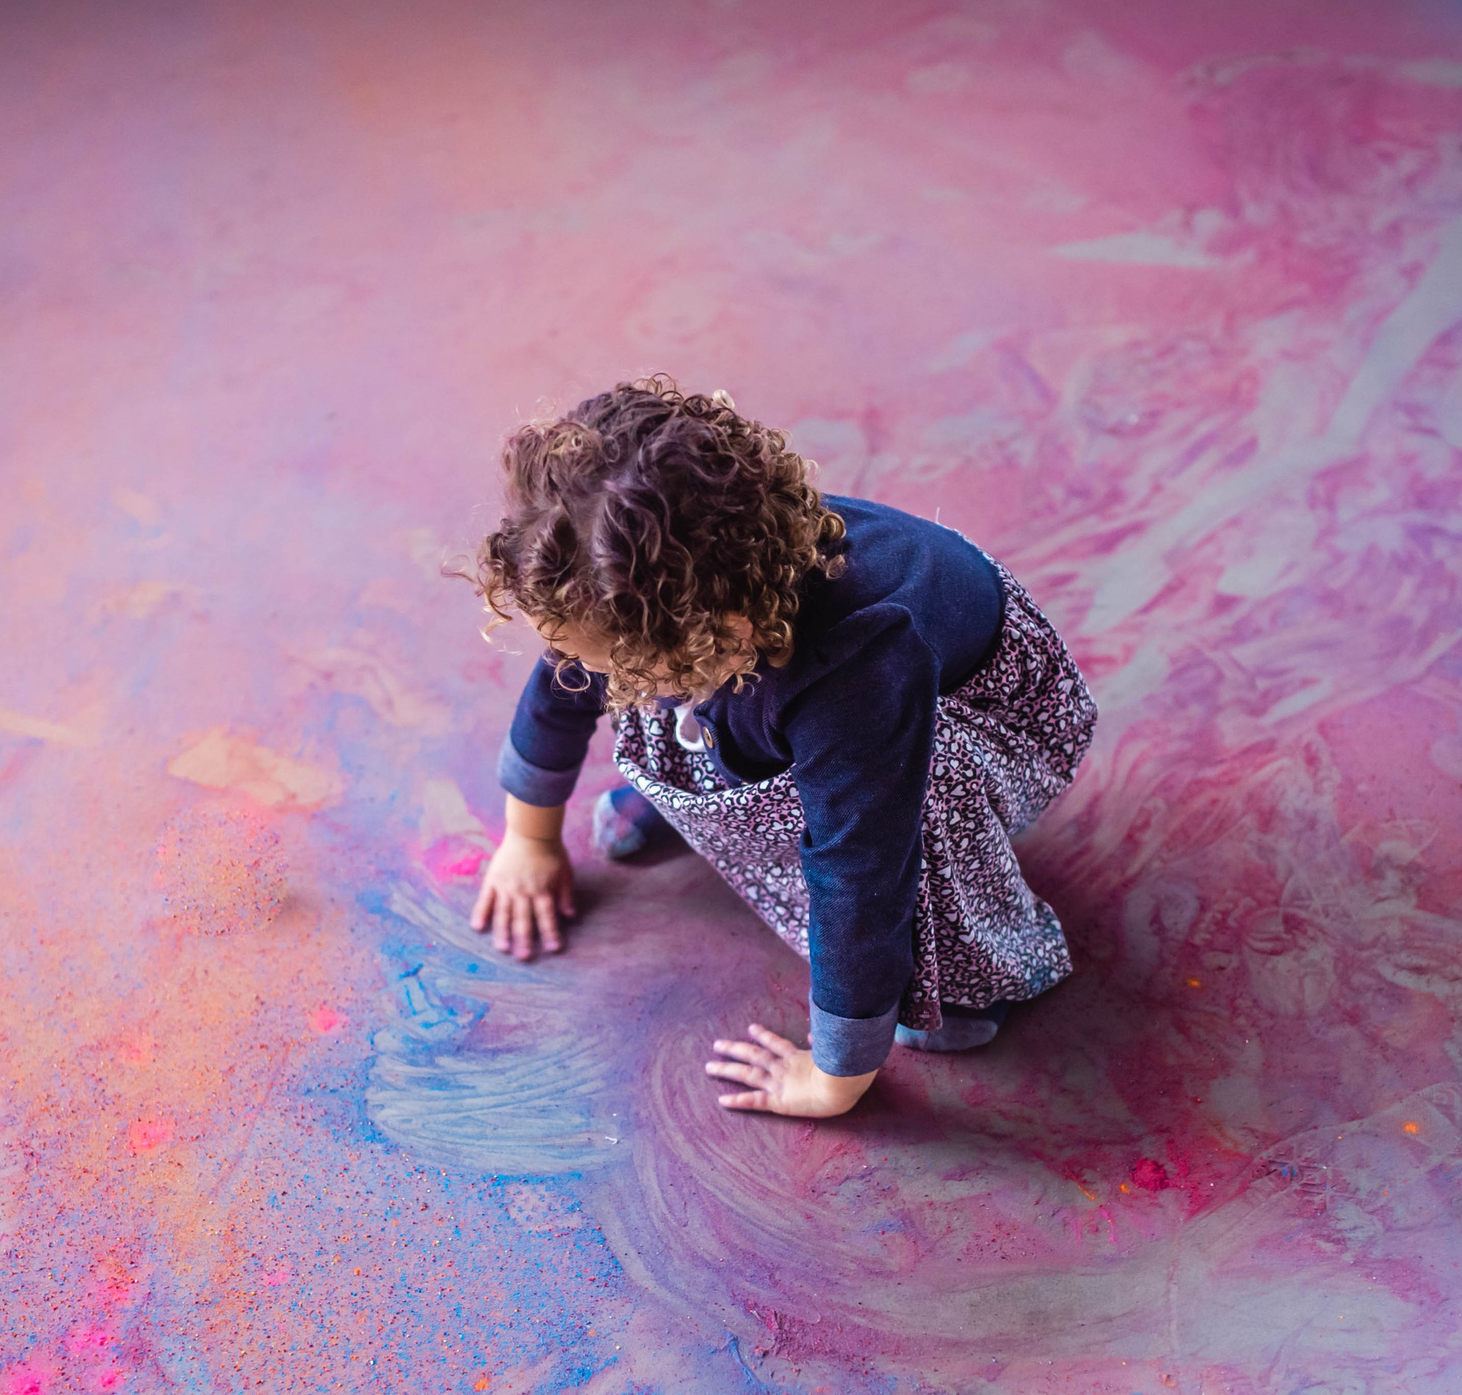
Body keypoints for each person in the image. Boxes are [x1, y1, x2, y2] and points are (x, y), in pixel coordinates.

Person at [463, 377, 1095, 1118]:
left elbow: (860, 870)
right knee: (647, 683)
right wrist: (528, 838)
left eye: (597, 659)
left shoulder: (857, 669)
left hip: (967, 726)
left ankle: (961, 982)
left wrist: (838, 1076)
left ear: (723, 635)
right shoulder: (631, 589)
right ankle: (712, 793)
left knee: (893, 817)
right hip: (730, 672)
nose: (580, 670)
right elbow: (564, 681)